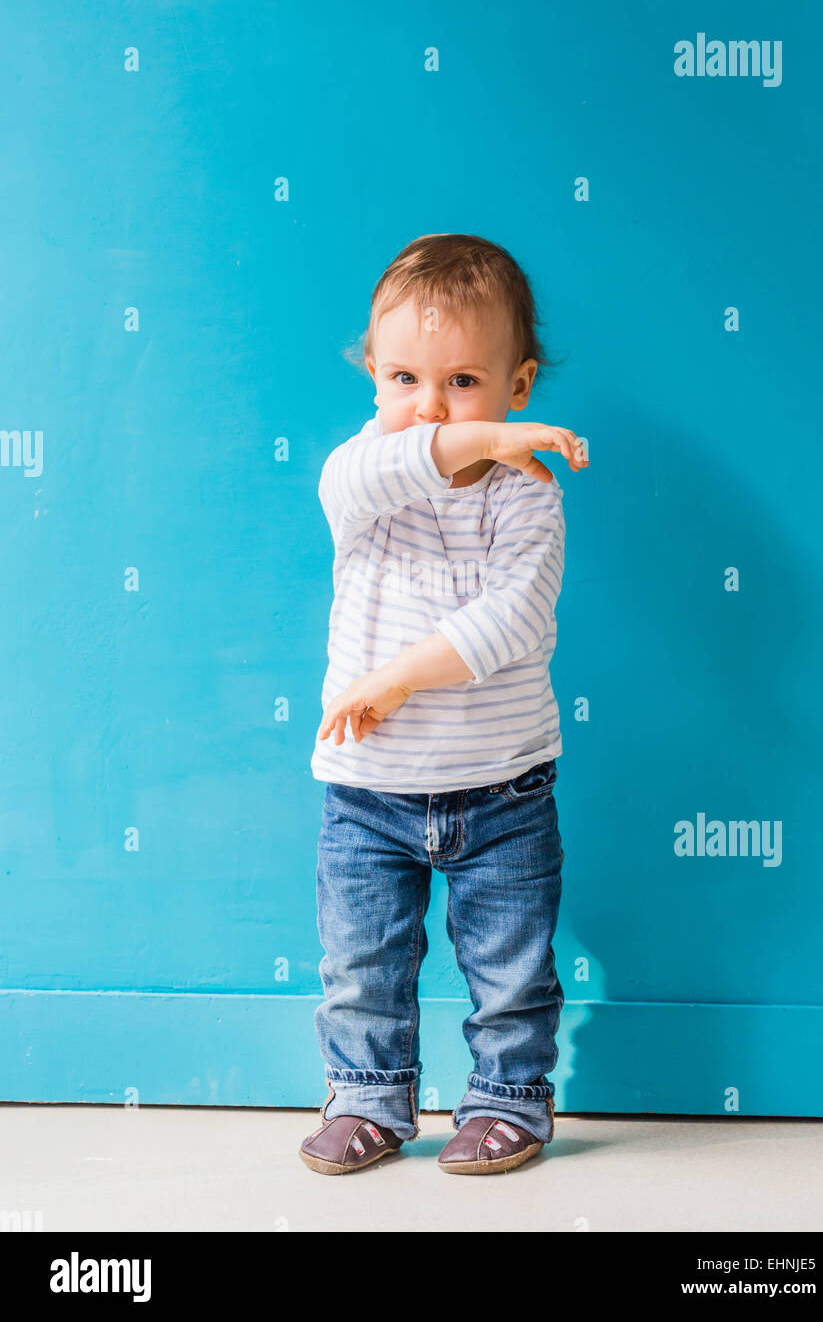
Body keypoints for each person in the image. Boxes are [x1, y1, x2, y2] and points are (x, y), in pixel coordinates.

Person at [301, 233, 588, 1175]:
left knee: (509, 971)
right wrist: (482, 433)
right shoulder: (361, 474)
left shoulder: (528, 497)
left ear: (520, 383)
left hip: (502, 793)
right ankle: (369, 1100)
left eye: (463, 380)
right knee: (364, 967)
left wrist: (395, 679)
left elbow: (510, 623)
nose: (428, 407)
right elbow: (400, 459)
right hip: (368, 795)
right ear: (374, 379)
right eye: (403, 379)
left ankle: (509, 1100)